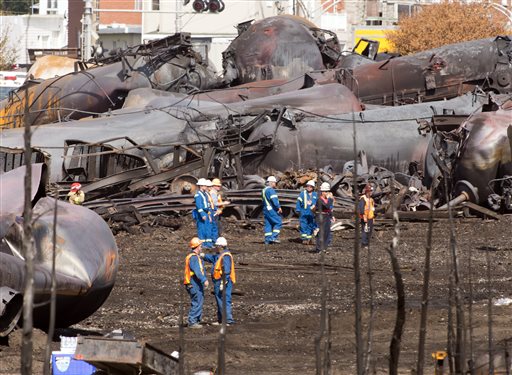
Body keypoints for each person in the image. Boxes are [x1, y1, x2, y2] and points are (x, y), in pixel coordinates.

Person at [202, 236, 236, 325]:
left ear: (220, 246)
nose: (215, 247)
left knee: (224, 300)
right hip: (218, 281)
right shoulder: (219, 255)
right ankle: (221, 320)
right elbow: (213, 258)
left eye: (216, 246)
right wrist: (203, 256)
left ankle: (228, 320)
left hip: (223, 281)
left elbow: (227, 270)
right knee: (219, 300)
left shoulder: (226, 256)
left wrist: (223, 282)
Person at [183, 237, 209, 328]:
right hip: (193, 283)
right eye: (200, 246)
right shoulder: (194, 258)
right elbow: (197, 271)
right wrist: (204, 280)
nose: (201, 247)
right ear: (197, 246)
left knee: (199, 300)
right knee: (197, 300)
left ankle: (196, 320)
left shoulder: (193, 257)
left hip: (194, 283)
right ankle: (192, 321)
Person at [262, 176, 282, 244]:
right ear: (272, 183)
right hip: (271, 210)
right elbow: (274, 200)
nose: (275, 184)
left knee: (268, 224)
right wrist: (279, 207)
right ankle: (273, 237)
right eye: (275, 183)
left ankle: (267, 240)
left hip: (266, 210)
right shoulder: (271, 190)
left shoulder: (264, 190)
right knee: (278, 222)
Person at [192, 178, 213, 248]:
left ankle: (208, 244)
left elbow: (208, 205)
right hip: (201, 214)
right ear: (201, 186)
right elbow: (199, 206)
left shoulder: (205, 194)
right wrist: (202, 215)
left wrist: (209, 215)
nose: (206, 187)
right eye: (205, 186)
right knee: (202, 229)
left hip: (206, 213)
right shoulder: (198, 195)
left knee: (207, 228)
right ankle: (202, 244)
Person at [296, 180, 318, 244]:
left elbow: (318, 203)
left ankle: (309, 238)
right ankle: (304, 239)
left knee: (311, 225)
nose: (309, 187)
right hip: (304, 212)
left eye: (310, 186)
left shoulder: (315, 194)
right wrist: (298, 209)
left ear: (313, 187)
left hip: (312, 212)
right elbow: (298, 202)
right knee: (303, 225)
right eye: (308, 186)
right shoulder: (302, 193)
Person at [315, 182, 335, 252]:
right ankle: (319, 248)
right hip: (321, 217)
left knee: (327, 232)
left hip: (327, 216)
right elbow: (327, 206)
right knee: (321, 232)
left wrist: (332, 216)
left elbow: (329, 209)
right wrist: (330, 199)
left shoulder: (327, 199)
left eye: (327, 191)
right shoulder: (319, 200)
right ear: (322, 192)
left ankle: (324, 248)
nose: (327, 193)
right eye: (325, 191)